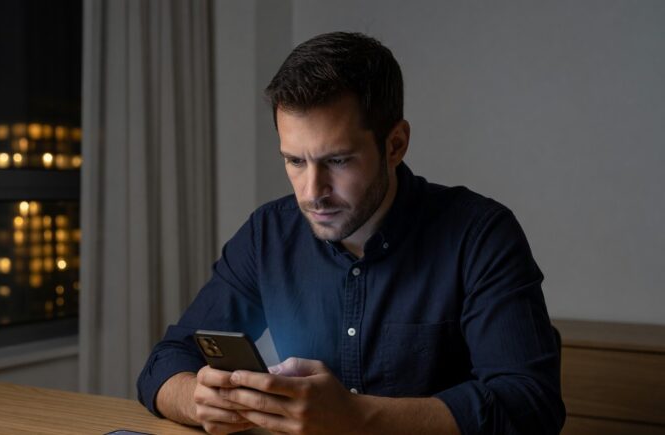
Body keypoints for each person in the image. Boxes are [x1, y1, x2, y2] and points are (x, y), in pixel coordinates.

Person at [137, 31, 565, 435]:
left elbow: (529, 405)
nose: (312, 193)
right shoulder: (267, 234)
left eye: (338, 161)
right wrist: (197, 400)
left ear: (394, 144)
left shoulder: (480, 235)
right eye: (295, 162)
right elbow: (165, 362)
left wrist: (355, 418)